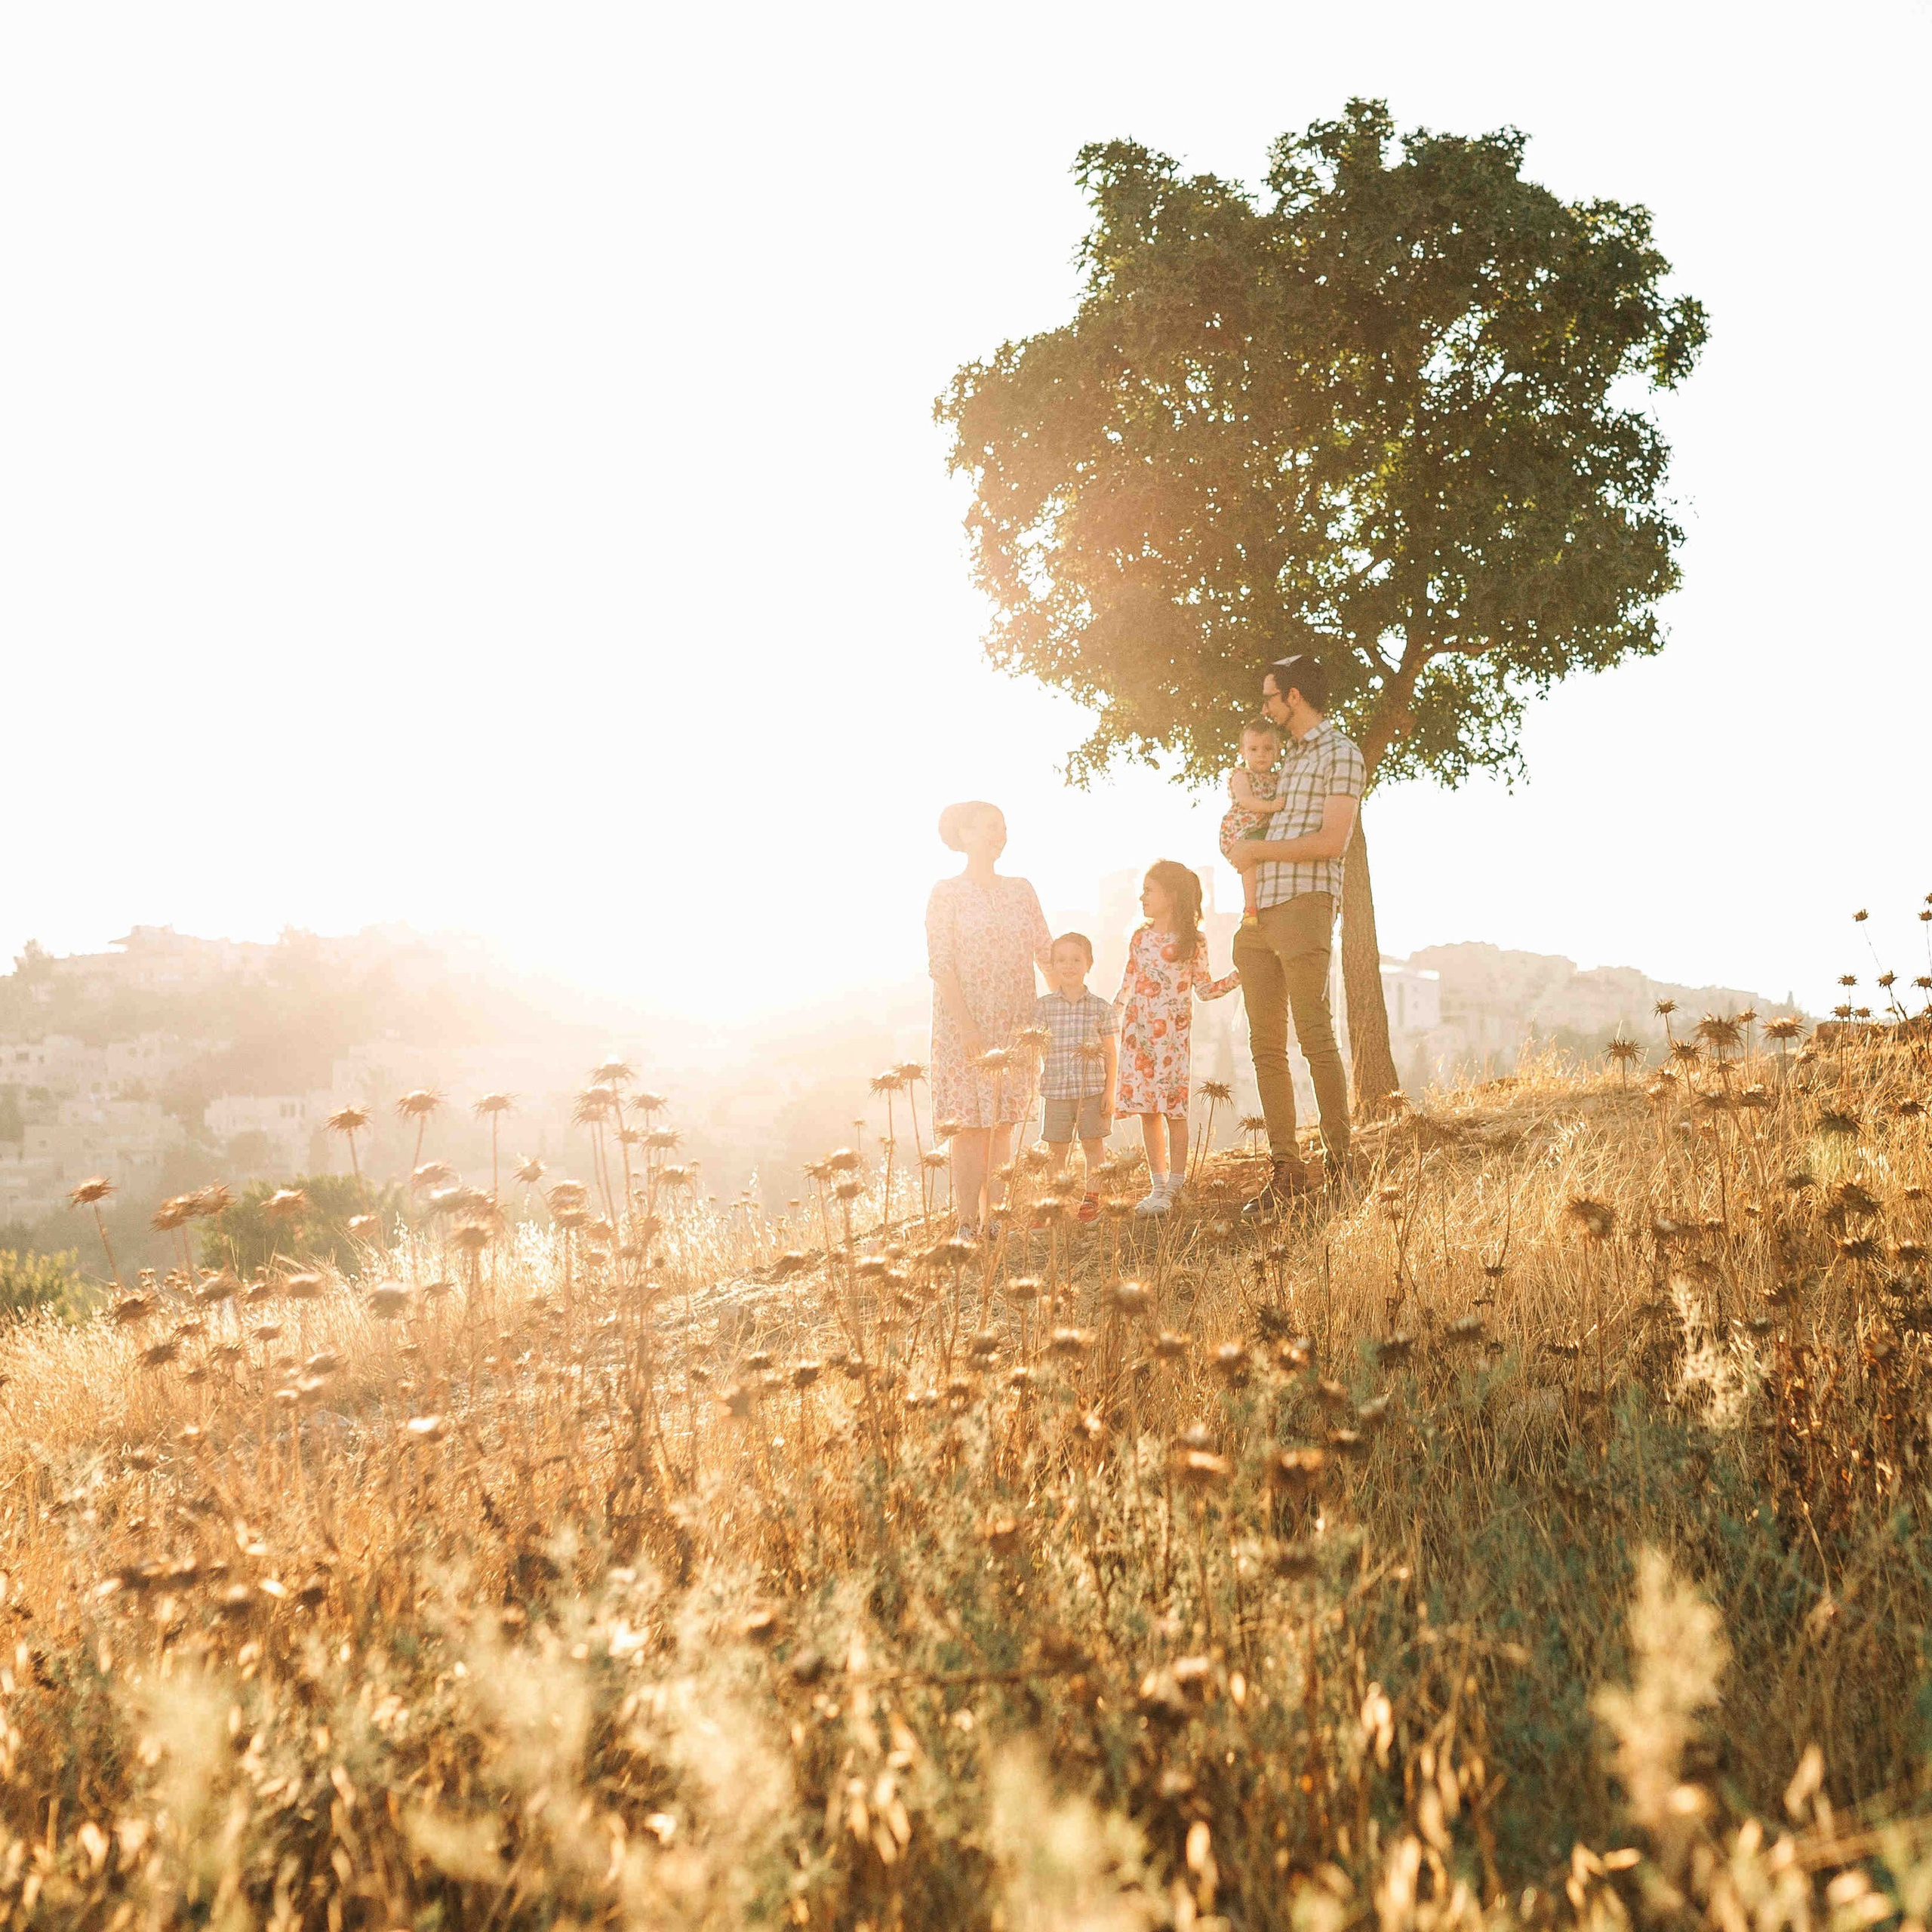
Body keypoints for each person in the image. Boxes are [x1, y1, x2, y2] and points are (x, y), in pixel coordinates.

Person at [1224, 651, 1364, 1214]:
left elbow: (1332, 842)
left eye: (1270, 697)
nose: (1264, 708)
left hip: (1305, 904)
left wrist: (1257, 851)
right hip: (1258, 915)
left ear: (1294, 696)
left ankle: (1341, 1167)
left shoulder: (1341, 753)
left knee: (1313, 1035)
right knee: (1264, 1047)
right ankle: (1286, 1171)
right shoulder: (1284, 757)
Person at [925, 801, 1052, 1238]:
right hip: (964, 1025)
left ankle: (995, 1219)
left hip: (1015, 1023)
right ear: (964, 835)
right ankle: (965, 1224)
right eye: (989, 827)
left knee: (1002, 1123)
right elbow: (941, 964)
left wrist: (1068, 1009)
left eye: (1003, 827)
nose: (1000, 835)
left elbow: (1046, 953)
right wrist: (966, 1026)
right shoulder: (946, 893)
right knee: (968, 1126)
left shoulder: (1021, 890)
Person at [1112, 860, 1240, 1217]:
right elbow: (1127, 986)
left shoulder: (1193, 941)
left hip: (1171, 1041)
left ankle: (1175, 1187)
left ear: (1171, 895)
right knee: (1147, 1111)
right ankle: (1157, 1186)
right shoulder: (1140, 938)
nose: (1142, 897)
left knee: (1174, 1111)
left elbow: (1205, 990)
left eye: (1149, 891)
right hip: (1137, 1037)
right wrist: (1108, 1018)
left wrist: (1239, 976)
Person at [1032, 932, 1118, 1224]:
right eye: (1061, 960)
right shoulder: (1043, 1007)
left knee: (1093, 1144)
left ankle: (1092, 1199)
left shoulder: (1100, 1008)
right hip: (1056, 1091)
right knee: (1056, 1148)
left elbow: (1111, 1053)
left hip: (1092, 1090)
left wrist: (1109, 1092)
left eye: (1076, 960)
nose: (1068, 966)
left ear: (1089, 964)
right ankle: (1054, 1204)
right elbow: (1035, 1045)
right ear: (1053, 965)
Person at [1220, 718, 1287, 931]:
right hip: (1242, 830)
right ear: (1243, 752)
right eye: (1254, 749)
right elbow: (1246, 800)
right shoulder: (1241, 775)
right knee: (1249, 864)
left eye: (1268, 749)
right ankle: (1250, 907)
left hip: (1263, 830)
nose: (1261, 754)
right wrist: (1272, 806)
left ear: (1278, 752)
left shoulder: (1278, 777)